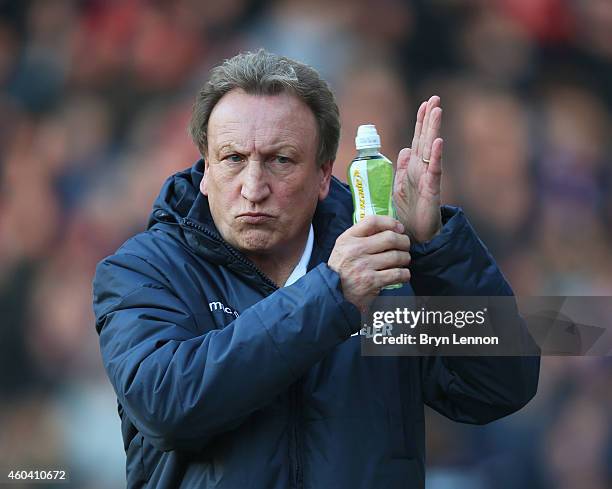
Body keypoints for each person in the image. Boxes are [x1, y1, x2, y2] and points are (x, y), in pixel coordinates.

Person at [92, 49, 540, 489]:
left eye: (280, 160)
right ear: (206, 169)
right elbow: (167, 405)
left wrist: (435, 248)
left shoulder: (387, 271)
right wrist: (331, 296)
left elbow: (502, 386)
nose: (253, 188)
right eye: (233, 159)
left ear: (324, 175)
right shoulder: (143, 269)